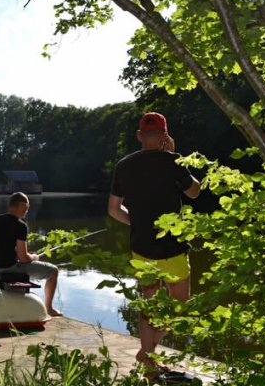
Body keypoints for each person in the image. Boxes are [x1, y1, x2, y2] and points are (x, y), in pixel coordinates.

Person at [108, 112, 200, 374]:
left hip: (141, 247)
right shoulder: (173, 161)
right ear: (164, 135)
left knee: (148, 304)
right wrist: (176, 156)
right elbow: (195, 191)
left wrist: (137, 223)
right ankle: (147, 353)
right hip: (172, 247)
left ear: (139, 135)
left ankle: (147, 356)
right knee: (180, 305)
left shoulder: (124, 165)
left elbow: (114, 210)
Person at [0, 192, 63, 317]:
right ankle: (48, 309)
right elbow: (24, 258)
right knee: (53, 271)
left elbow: (1, 247)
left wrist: (18, 255)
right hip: (10, 268)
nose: (27, 211)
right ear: (22, 207)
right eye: (27, 208)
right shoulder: (20, 225)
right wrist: (34, 257)